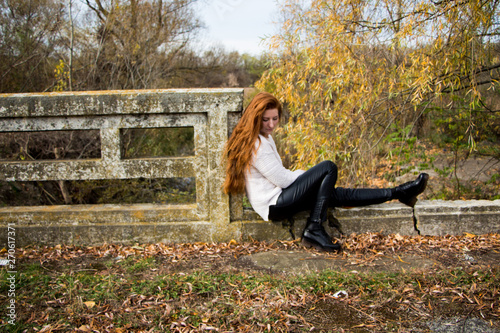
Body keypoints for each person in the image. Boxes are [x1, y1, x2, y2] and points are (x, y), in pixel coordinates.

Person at [222, 92, 428, 252]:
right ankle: (314, 228)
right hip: (274, 204)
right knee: (328, 167)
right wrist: (308, 175)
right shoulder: (256, 144)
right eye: (265, 120)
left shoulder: (263, 137)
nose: (271, 124)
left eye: (275, 118)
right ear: (256, 117)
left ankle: (399, 192)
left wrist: (309, 179)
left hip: (279, 199)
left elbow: (282, 177)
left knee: (337, 194)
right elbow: (283, 180)